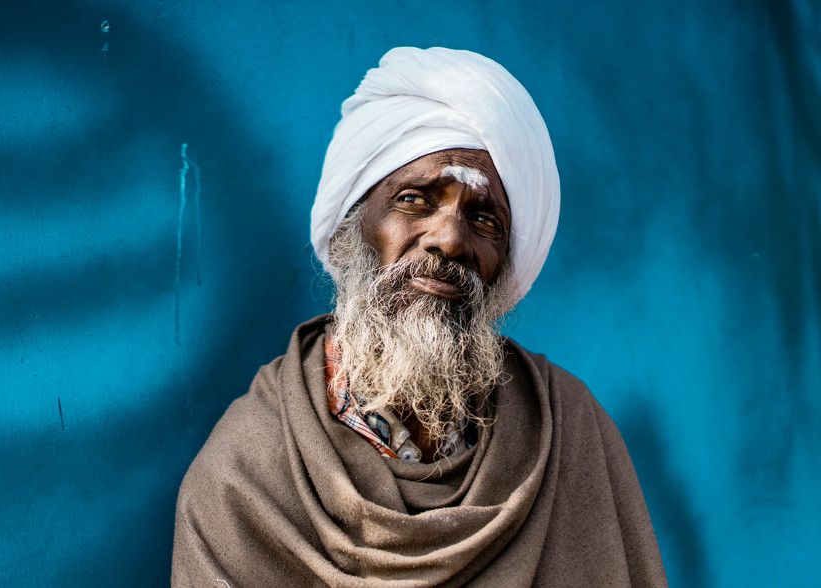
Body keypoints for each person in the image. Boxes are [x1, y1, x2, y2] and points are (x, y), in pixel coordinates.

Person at [172, 47, 666, 587]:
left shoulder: (570, 431)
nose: (450, 239)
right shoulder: (248, 474)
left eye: (483, 218)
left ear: (505, 265)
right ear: (349, 231)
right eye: (413, 200)